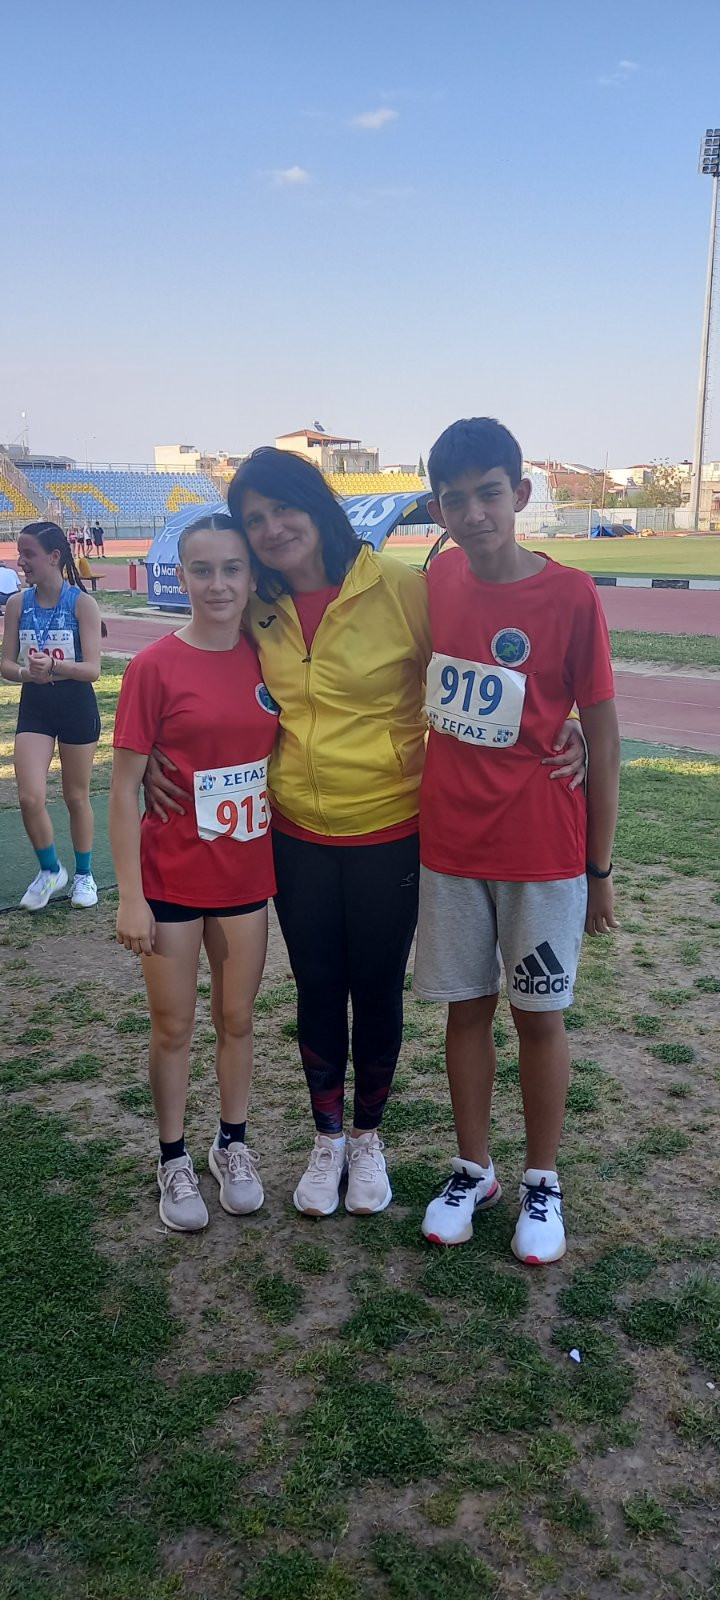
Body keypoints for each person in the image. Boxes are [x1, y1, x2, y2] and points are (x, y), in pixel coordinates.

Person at [144, 450, 587, 1225]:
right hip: (295, 832)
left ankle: (367, 1138)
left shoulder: (403, 587)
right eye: (255, 519)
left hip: (390, 826)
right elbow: (198, 664)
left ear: (317, 505)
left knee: (376, 989)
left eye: (285, 508)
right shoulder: (257, 600)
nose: (273, 528)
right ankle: (326, 1141)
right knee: (317, 987)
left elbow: (485, 653)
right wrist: (152, 751)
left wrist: (567, 720)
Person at [414, 418, 620, 1266]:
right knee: (465, 1010)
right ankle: (475, 1170)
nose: (474, 513)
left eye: (489, 494)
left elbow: (602, 733)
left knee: (539, 1015)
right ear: (438, 509)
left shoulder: (570, 595)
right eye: (455, 499)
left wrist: (600, 868)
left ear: (520, 494)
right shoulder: (435, 580)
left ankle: (542, 1179)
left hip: (541, 848)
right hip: (451, 845)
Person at [109, 513, 278, 1233]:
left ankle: (231, 1144)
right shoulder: (154, 667)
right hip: (172, 880)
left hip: (244, 877)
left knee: (237, 1019)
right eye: (202, 570)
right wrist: (130, 897)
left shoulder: (270, 657)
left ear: (250, 575)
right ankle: (172, 1157)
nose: (218, 584)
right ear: (180, 577)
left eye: (232, 569)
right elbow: (123, 787)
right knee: (174, 1025)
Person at [0, 521, 104, 910]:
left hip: (76, 705)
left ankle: (84, 875)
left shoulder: (81, 603)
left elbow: (93, 669)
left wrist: (56, 667)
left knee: (76, 796)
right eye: (19, 554)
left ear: (53, 557)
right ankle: (49, 870)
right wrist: (27, 674)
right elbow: (6, 664)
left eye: (28, 554)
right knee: (29, 796)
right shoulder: (17, 604)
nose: (20, 562)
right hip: (36, 706)